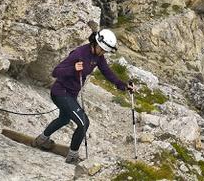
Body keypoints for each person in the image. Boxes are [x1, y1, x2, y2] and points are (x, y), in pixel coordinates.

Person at [33, 29, 134, 164]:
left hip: (71, 95)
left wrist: (124, 85)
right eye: (102, 49)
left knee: (64, 119)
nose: (103, 53)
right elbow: (55, 72)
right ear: (95, 43)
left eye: (105, 51)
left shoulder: (98, 57)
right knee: (83, 123)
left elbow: (107, 73)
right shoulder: (79, 54)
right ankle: (72, 156)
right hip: (60, 92)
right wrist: (73, 69)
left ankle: (41, 140)